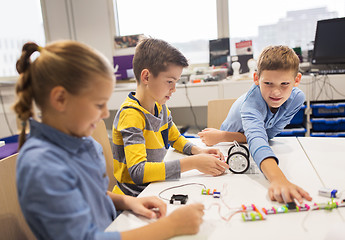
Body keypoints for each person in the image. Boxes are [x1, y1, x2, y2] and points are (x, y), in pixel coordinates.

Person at [14, 40, 205, 240]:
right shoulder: (42, 165)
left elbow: (92, 194)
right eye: (99, 104)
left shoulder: (84, 144)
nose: (106, 113)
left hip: (113, 223)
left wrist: (126, 202)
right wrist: (170, 227)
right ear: (60, 99)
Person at [112, 38, 229, 196]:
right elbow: (139, 172)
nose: (174, 89)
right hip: (133, 198)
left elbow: (175, 138)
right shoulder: (131, 115)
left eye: (176, 82)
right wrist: (193, 163)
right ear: (146, 77)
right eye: (169, 81)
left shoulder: (160, 107)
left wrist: (198, 152)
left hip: (153, 189)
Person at [198, 45, 312, 204]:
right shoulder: (251, 104)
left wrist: (223, 135)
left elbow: (268, 135)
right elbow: (258, 140)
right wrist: (278, 179)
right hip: (229, 146)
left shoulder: (297, 98)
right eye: (268, 83)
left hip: (234, 138)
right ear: (256, 79)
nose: (276, 92)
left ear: (297, 80)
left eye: (284, 84)